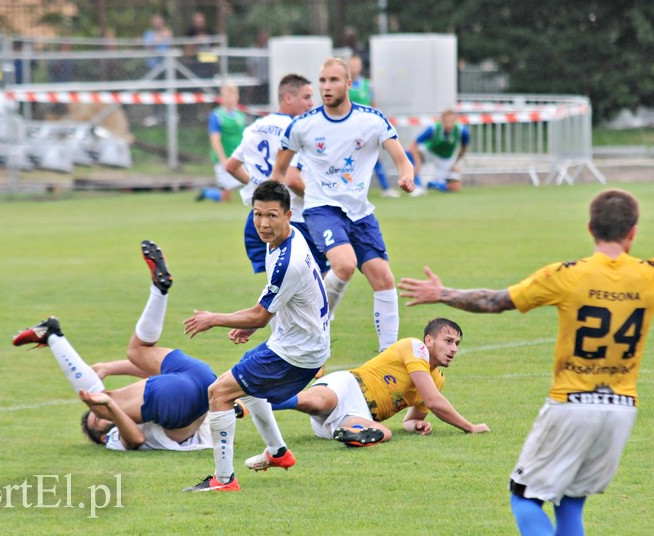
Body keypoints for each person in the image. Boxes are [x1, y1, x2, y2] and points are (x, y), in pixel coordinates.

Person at [397, 189, 654, 535]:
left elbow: (495, 301)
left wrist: (442, 294)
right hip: (622, 409)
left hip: (571, 405)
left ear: (590, 228)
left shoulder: (565, 274)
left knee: (524, 499)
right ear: (633, 232)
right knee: (570, 501)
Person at [182, 181, 331, 492]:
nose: (264, 223)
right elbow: (275, 302)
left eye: (272, 215)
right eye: (257, 214)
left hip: (295, 351)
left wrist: (214, 319)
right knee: (245, 385)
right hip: (296, 341)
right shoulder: (284, 238)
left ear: (289, 214)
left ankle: (223, 480)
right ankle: (278, 453)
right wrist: (253, 322)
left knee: (219, 393)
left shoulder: (287, 261)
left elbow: (261, 315)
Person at [12, 240, 218, 451]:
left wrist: (108, 368)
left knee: (137, 352)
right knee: (135, 355)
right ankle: (158, 292)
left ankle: (158, 288)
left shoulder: (149, 408)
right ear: (103, 437)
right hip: (203, 377)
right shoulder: (115, 436)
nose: (99, 403)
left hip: (195, 385)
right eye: (98, 421)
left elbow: (157, 379)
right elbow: (135, 440)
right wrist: (107, 405)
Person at [270, 57, 415, 353]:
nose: (326, 86)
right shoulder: (303, 126)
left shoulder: (372, 120)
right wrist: (273, 206)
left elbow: (402, 159)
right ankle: (322, 313)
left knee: (384, 278)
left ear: (349, 84)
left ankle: (388, 353)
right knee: (345, 264)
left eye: (333, 80)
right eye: (322, 81)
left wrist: (406, 175)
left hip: (360, 213)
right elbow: (279, 171)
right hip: (322, 209)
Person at [267, 318, 489, 447]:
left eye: (457, 343)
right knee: (319, 402)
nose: (454, 349)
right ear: (429, 341)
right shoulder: (415, 347)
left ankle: (350, 433)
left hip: (359, 415)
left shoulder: (437, 379)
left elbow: (410, 420)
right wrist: (470, 427)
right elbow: (433, 401)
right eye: (448, 341)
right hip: (349, 386)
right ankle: (257, 401)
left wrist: (416, 425)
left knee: (385, 433)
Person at [223, 74, 326, 274]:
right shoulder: (296, 129)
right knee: (319, 281)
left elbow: (231, 166)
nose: (311, 103)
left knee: (280, 288)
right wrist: (321, 200)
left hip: (257, 219)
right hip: (293, 219)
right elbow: (293, 181)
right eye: (306, 97)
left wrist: (259, 189)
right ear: (288, 98)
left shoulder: (254, 127)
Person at [347, 54, 399, 198]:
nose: (354, 68)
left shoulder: (366, 85)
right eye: (352, 65)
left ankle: (385, 188)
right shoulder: (345, 85)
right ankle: (350, 188)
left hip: (366, 129)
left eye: (357, 65)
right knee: (349, 159)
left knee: (375, 157)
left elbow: (372, 104)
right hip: (350, 129)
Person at [197, 84, 247, 203]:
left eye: (232, 95)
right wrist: (222, 159)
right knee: (226, 196)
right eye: (227, 96)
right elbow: (215, 139)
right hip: (225, 157)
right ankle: (206, 192)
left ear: (237, 97)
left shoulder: (240, 114)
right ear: (222, 97)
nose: (230, 99)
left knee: (250, 184)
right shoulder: (216, 115)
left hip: (240, 157)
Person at [406, 109, 470, 194]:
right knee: (407, 153)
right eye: (447, 121)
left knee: (455, 187)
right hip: (429, 152)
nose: (449, 124)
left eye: (451, 121)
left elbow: (464, 148)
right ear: (442, 120)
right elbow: (413, 144)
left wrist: (456, 163)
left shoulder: (462, 131)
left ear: (456, 121)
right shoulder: (433, 128)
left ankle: (429, 184)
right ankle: (417, 186)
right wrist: (417, 163)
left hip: (445, 158)